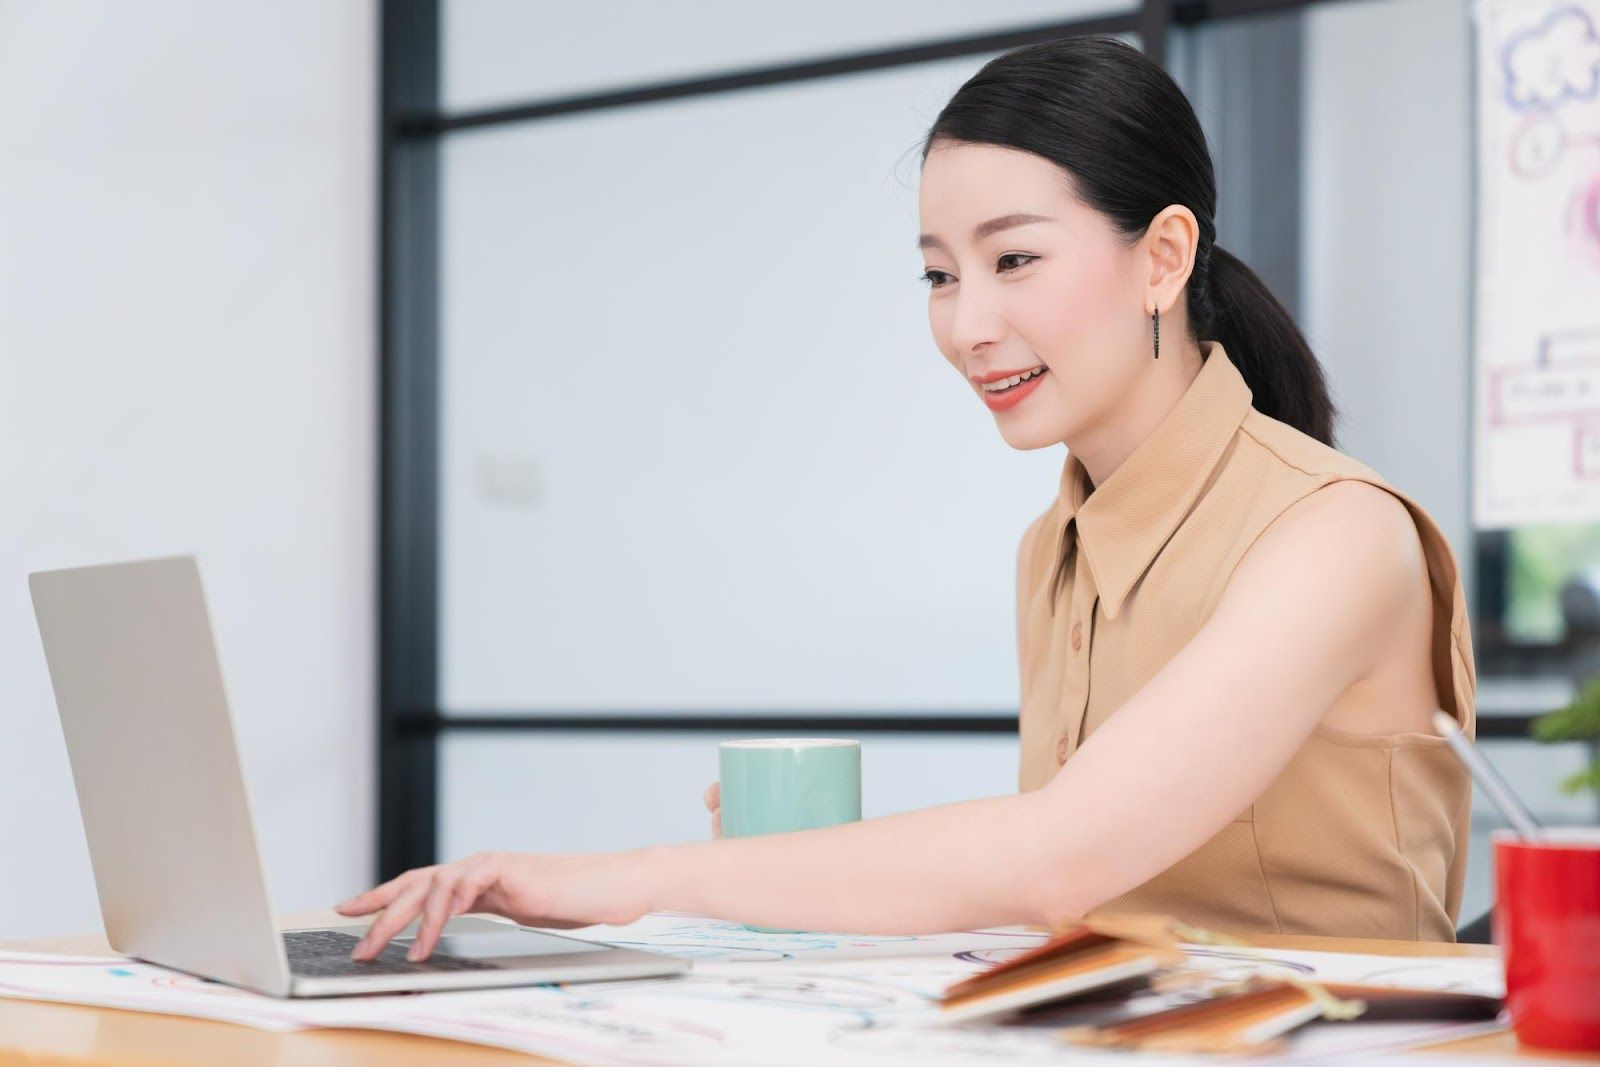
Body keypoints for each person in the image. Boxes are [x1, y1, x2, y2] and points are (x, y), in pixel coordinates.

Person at [338, 35, 1475, 963]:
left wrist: (620, 879)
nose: (967, 323)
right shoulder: (1057, 547)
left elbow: (1059, 857)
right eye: (938, 273)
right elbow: (1083, 897)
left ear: (1162, 259)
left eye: (1012, 259)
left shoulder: (1336, 534)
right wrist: (794, 866)